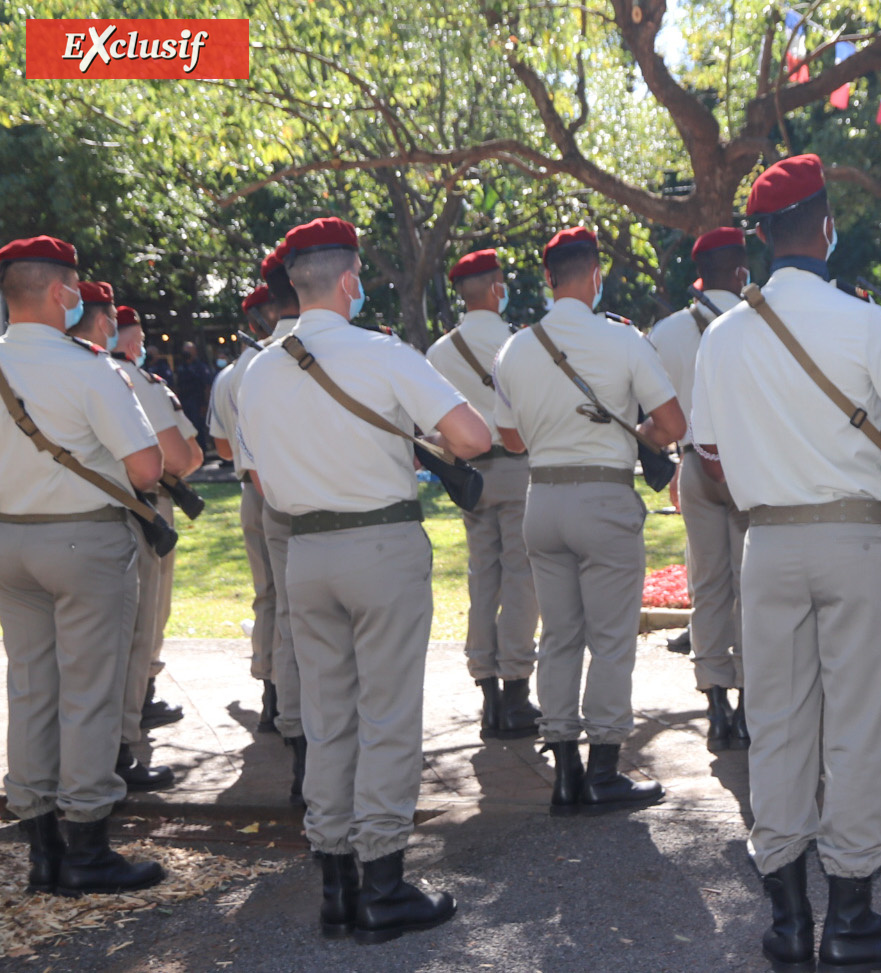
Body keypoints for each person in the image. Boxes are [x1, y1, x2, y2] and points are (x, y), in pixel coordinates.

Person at [690, 152, 881, 972]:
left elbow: (711, 462)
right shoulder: (865, 321)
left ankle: (788, 918)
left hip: (767, 540)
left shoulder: (722, 337)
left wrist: (775, 470)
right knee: (858, 727)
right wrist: (867, 454)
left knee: (777, 724)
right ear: (826, 226)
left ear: (762, 239)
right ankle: (854, 915)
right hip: (851, 535)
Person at [238, 216, 488, 943]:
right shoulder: (380, 352)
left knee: (327, 715)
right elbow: (472, 437)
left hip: (305, 553)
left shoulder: (256, 368)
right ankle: (384, 881)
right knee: (386, 713)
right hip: (378, 543)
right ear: (349, 280)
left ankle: (335, 884)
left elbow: (254, 469)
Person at [493, 226, 683, 817]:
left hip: (543, 500)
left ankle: (565, 771)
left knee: (560, 637)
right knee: (610, 639)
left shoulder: (517, 348)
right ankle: (604, 768)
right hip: (602, 498)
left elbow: (509, 436)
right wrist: (639, 435)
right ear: (596, 275)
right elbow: (671, 424)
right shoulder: (624, 342)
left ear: (548, 279)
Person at [0, 235, 167, 896]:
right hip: (82, 540)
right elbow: (147, 467)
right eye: (76, 287)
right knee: (90, 691)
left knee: (31, 687)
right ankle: (88, 844)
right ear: (60, 293)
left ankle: (41, 846)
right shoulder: (89, 367)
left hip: (10, 539)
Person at [67, 297, 204, 792]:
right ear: (107, 327)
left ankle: (47, 791)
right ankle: (121, 748)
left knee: (49, 665)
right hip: (131, 515)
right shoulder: (113, 377)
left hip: (43, 527)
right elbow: (171, 461)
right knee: (135, 632)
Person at [426, 249, 541, 741]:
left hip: (468, 474)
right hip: (516, 468)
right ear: (496, 288)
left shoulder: (438, 351)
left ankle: (487, 689)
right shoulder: (519, 344)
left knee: (482, 576)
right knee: (520, 579)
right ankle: (515, 690)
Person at [650, 227, 752, 752]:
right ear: (740, 272)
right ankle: (752, 703)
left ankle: (715, 701)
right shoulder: (759, 321)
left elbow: (653, 409)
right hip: (747, 463)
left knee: (708, 584)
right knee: (752, 586)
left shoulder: (665, 332)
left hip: (692, 463)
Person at [252, 244, 311, 801]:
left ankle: (301, 758)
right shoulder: (360, 351)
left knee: (292, 623)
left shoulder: (254, 367)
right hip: (339, 517)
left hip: (277, 506)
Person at [211, 284, 281, 735]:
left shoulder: (232, 374)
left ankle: (272, 694)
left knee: (268, 595)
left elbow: (220, 445)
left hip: (252, 494)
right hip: (294, 489)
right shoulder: (290, 361)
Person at [171, 339, 214, 454]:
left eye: (189, 351)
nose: (186, 353)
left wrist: (205, 404)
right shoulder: (180, 367)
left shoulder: (200, 367)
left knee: (198, 428)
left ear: (194, 352)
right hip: (184, 402)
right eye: (185, 351)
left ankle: (202, 452)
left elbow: (207, 386)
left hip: (198, 402)